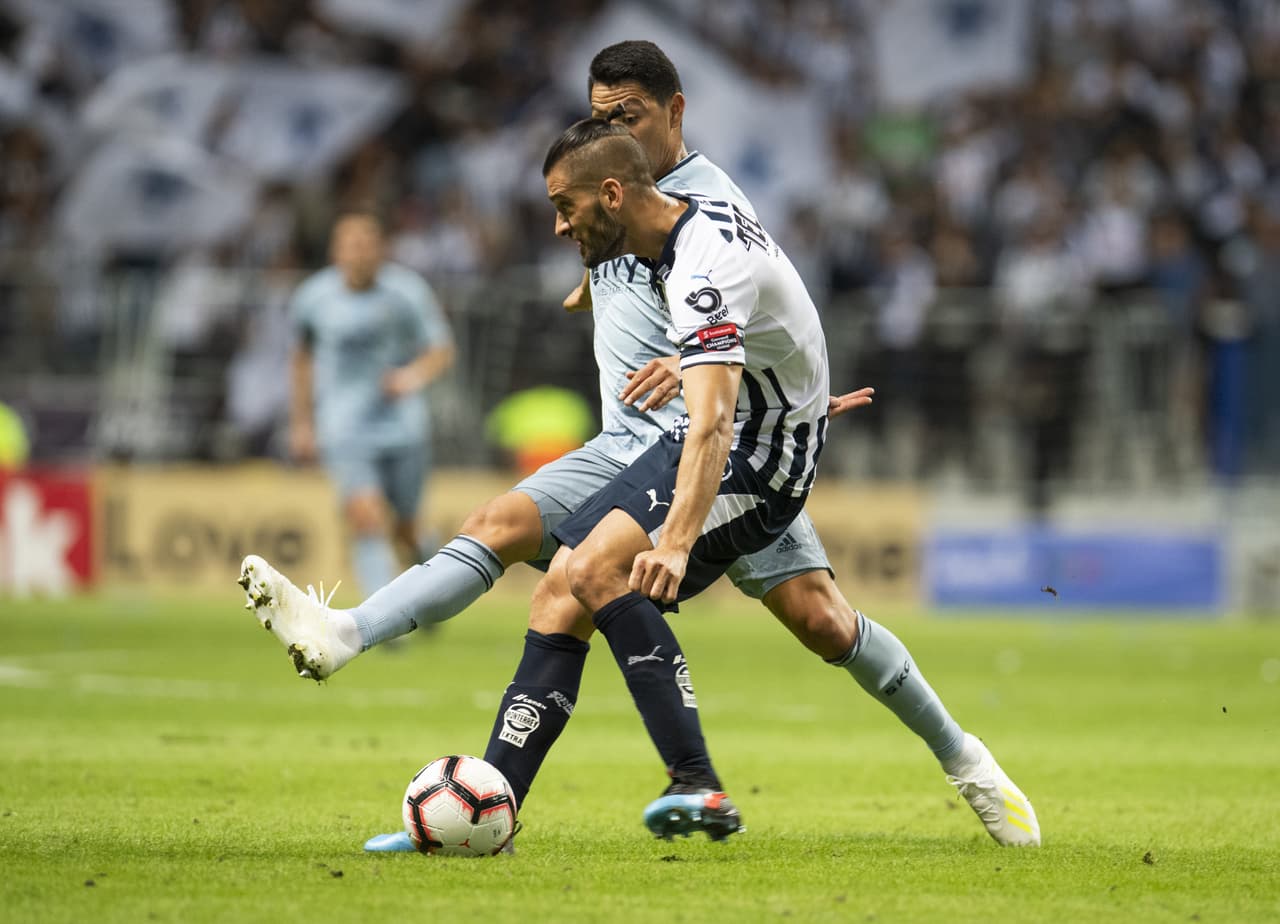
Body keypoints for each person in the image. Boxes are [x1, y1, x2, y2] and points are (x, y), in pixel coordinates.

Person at [240, 41, 1037, 850]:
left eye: (627, 114)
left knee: (822, 622)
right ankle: (435, 749)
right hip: (634, 441)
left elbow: (757, 315)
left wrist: (770, 392)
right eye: (600, 113)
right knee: (521, 546)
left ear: (674, 113)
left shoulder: (706, 214)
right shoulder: (608, 202)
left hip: (715, 445)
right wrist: (597, 279)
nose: (608, 126)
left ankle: (961, 762)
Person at [287, 211, 455, 595]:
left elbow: (442, 350)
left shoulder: (407, 292)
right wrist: (302, 423)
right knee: (365, 518)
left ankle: (432, 592)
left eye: (366, 244)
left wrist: (410, 377)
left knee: (406, 529)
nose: (358, 253)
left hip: (403, 425)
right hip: (344, 426)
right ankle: (380, 619)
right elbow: (300, 360)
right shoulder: (313, 297)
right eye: (350, 245)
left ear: (380, 249)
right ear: (336, 251)